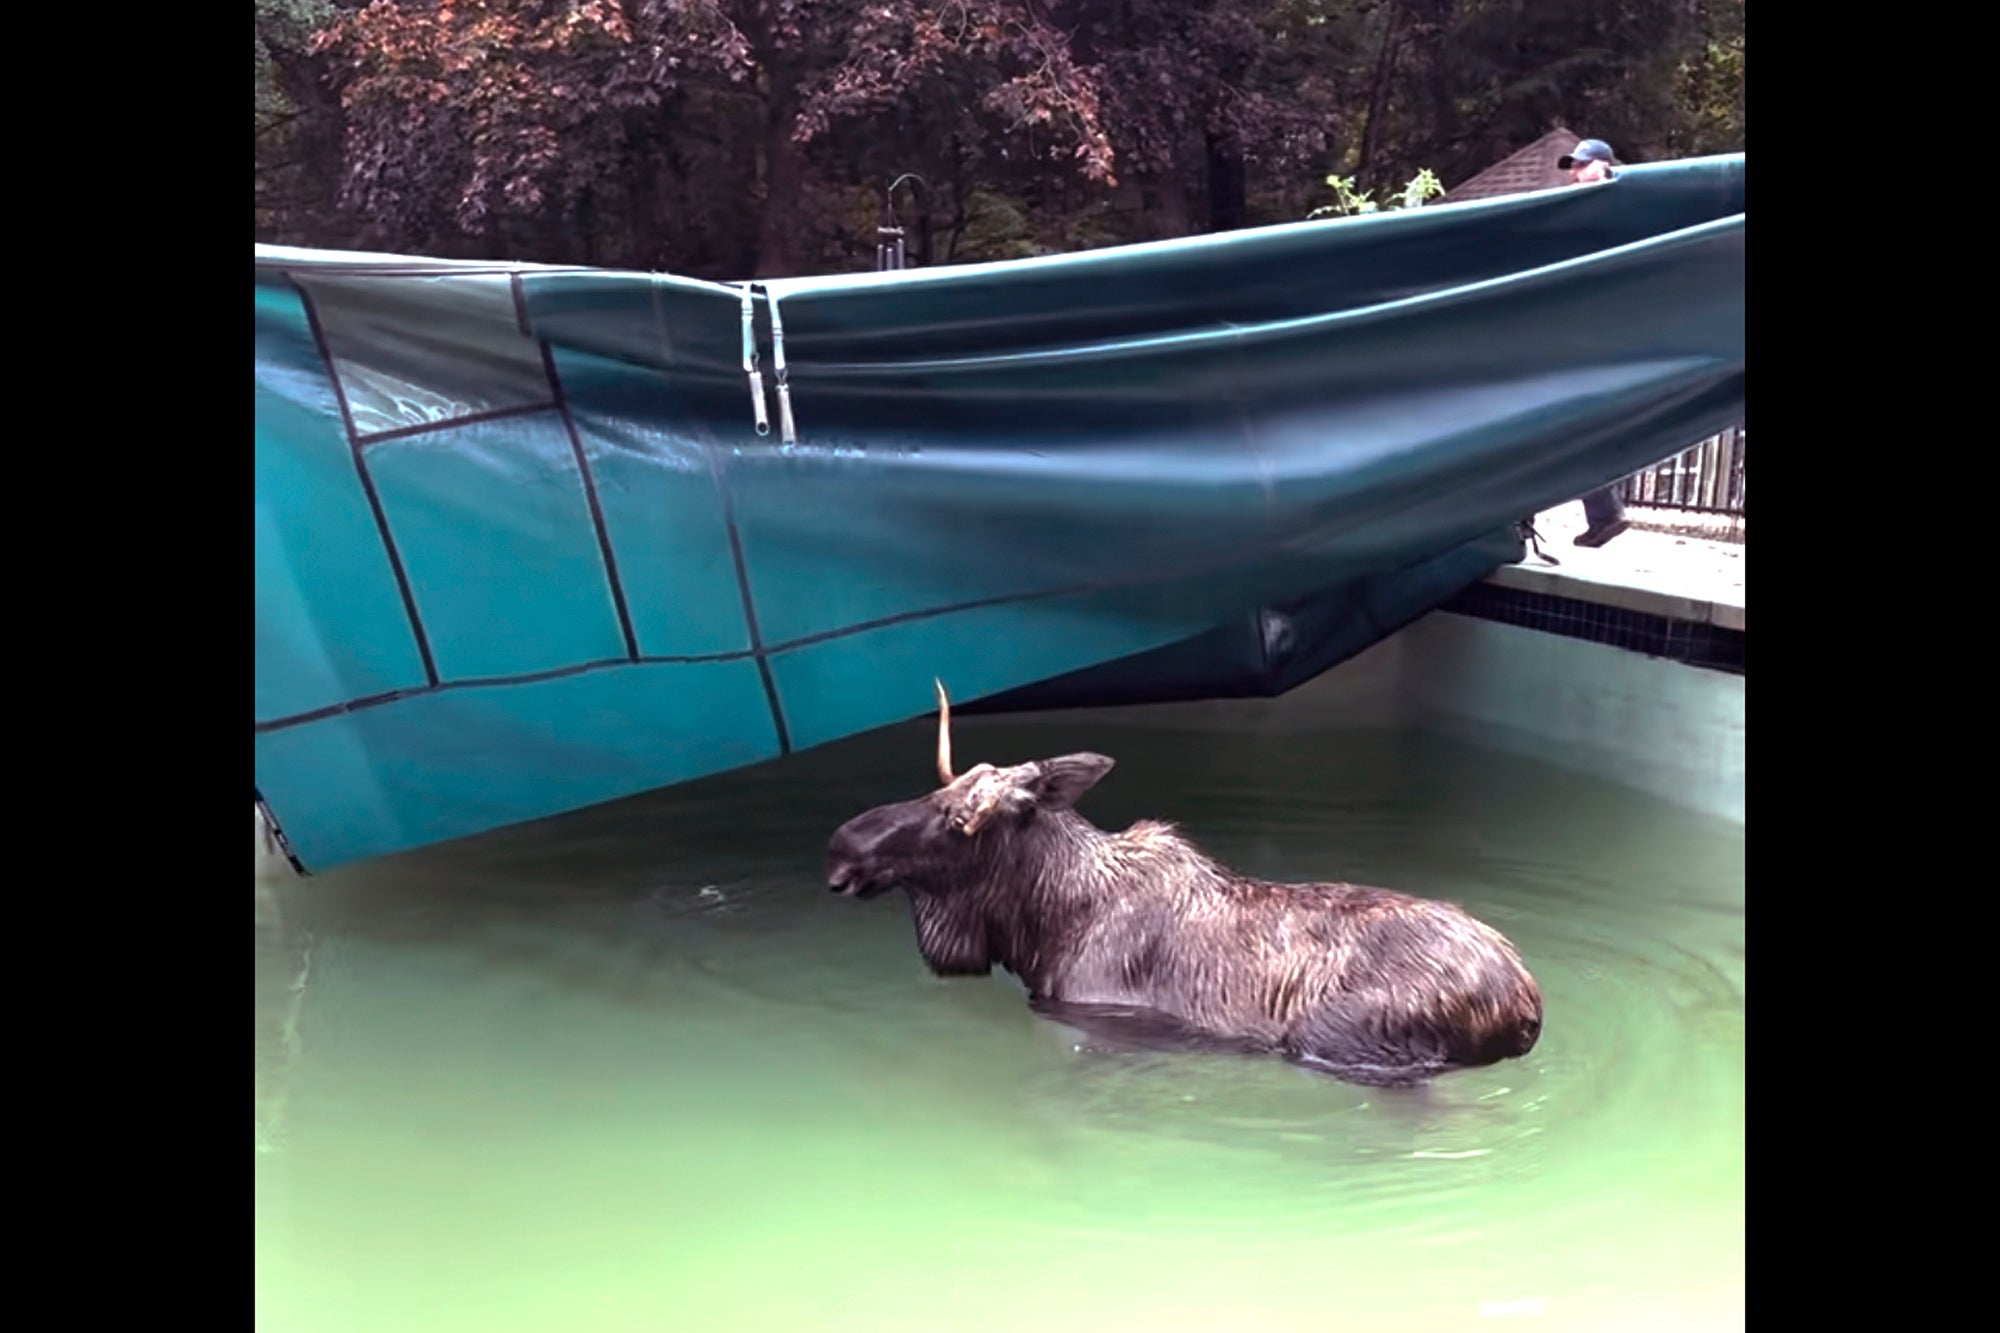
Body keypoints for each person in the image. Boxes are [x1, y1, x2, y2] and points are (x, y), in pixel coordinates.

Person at [1556, 137, 1631, 548]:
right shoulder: (1577, 208)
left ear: (1602, 165)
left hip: (1598, 338)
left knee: (1567, 425)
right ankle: (1603, 512)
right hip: (1583, 334)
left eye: (1581, 165)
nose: (1574, 172)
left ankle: (1603, 512)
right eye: (1572, 165)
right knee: (1569, 428)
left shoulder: (1617, 200)